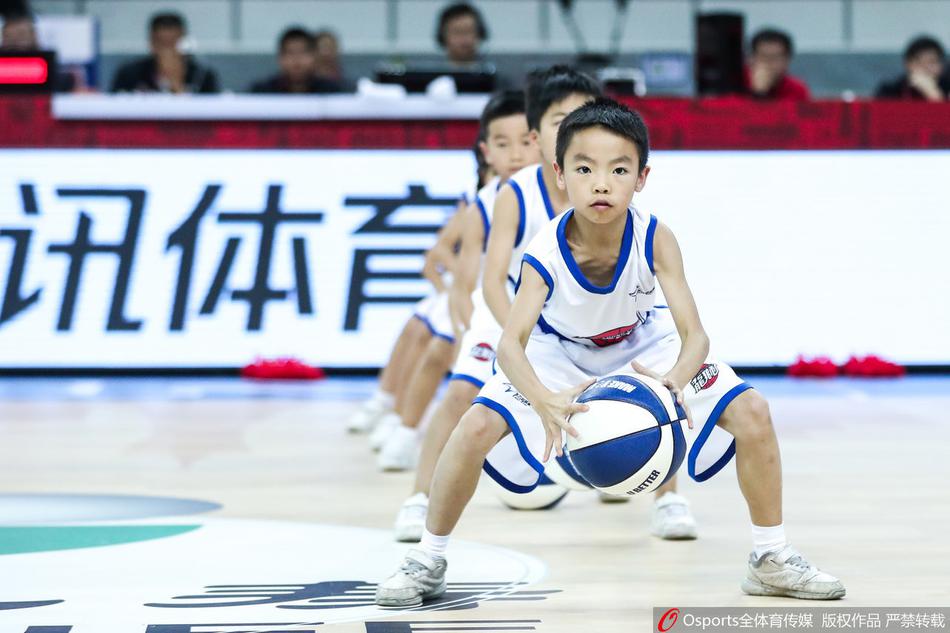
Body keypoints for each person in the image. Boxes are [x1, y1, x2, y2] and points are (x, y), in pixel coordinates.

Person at [375, 98, 845, 606]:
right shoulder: (544, 250)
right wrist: (543, 399)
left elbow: (695, 335)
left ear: (642, 178)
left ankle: (770, 557)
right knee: (473, 427)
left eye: (619, 170)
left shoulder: (656, 236)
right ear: (560, 175)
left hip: (643, 345)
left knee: (752, 410)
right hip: (558, 352)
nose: (601, 183)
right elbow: (510, 344)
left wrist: (674, 381)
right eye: (585, 169)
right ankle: (427, 558)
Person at [384, 91, 538, 533]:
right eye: (503, 144)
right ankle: (419, 497)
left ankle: (635, 482)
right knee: (458, 391)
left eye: (524, 142)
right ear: (487, 151)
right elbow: (467, 284)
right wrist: (465, 335)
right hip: (499, 311)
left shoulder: (573, 190)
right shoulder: (484, 203)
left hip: (559, 317)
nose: (516, 154)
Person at [111, 12, 219, 94]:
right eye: (162, 44)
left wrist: (176, 83)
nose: (168, 51)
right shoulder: (129, 74)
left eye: (173, 43)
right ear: (151, 43)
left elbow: (211, 111)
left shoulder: (202, 76)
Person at [0, 10, 76, 91]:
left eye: (21, 35)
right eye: (9, 37)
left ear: (33, 36)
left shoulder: (56, 74)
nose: (15, 42)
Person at [249, 27, 341, 94]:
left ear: (314, 56)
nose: (297, 60)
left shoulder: (332, 91)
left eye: (303, 52)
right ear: (280, 58)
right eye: (290, 53)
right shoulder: (261, 92)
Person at [875, 36, 950, 102]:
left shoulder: (946, 87)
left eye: (932, 62)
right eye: (920, 63)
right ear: (908, 64)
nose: (927, 68)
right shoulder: (890, 90)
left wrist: (933, 93)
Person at [744, 28, 809, 101]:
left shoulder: (797, 90)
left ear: (787, 60)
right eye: (763, 57)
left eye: (774, 58)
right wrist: (757, 92)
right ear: (751, 59)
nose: (768, 63)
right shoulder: (739, 82)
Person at [436, 2, 487, 66]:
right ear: (443, 36)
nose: (464, 39)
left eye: (469, 31)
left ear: (479, 34)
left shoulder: (493, 70)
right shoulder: (431, 71)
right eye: (457, 32)